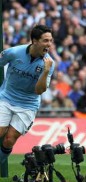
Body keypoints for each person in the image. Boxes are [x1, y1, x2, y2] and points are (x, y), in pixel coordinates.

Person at [0, 24, 55, 165]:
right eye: (45, 40)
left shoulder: (48, 64)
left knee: (9, 139)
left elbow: (39, 91)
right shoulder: (14, 52)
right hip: (6, 98)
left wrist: (46, 72)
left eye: (50, 40)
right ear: (35, 41)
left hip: (28, 105)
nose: (49, 44)